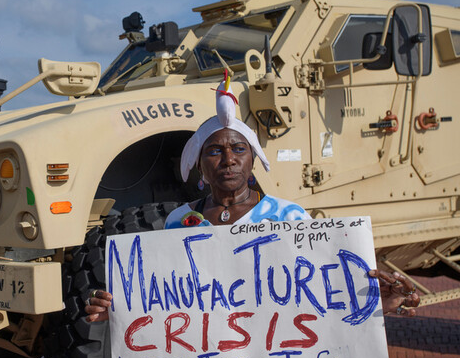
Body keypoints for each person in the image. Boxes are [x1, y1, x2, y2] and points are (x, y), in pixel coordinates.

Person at [85, 71, 420, 322]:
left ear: (253, 158)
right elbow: (166, 297)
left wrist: (379, 301)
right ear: (199, 165)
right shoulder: (178, 222)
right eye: (214, 151)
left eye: (239, 149)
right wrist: (118, 312)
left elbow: (321, 290)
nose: (228, 160)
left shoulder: (289, 218)